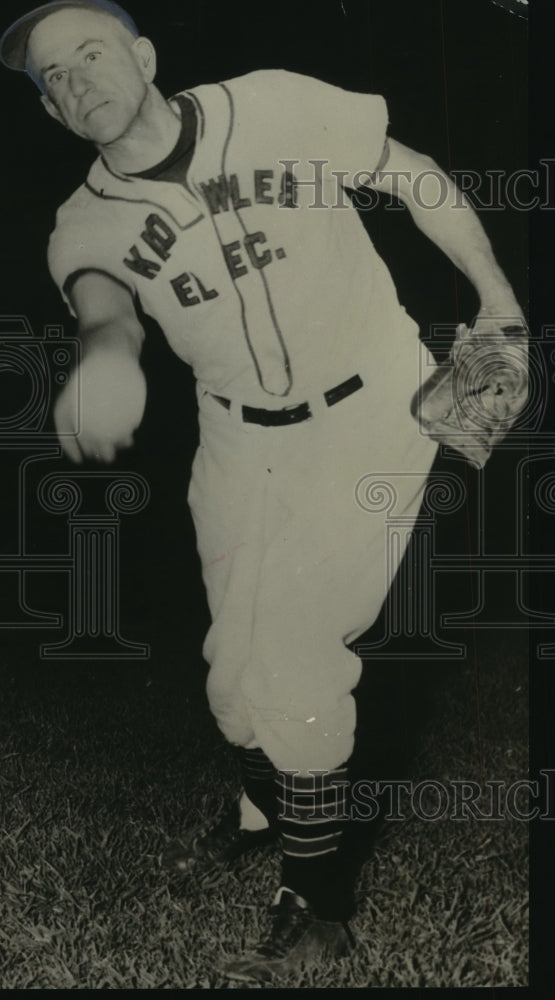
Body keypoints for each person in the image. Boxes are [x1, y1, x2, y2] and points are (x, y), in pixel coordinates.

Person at [0, 0, 525, 983]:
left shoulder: (275, 105)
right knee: (232, 681)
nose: (77, 81)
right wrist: (107, 354)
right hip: (236, 442)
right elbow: (104, 305)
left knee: (292, 661)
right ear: (49, 111)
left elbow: (409, 173)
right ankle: (269, 803)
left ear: (144, 55)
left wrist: (495, 299)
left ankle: (317, 904)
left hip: (376, 410)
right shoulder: (86, 220)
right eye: (51, 78)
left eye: (90, 53)